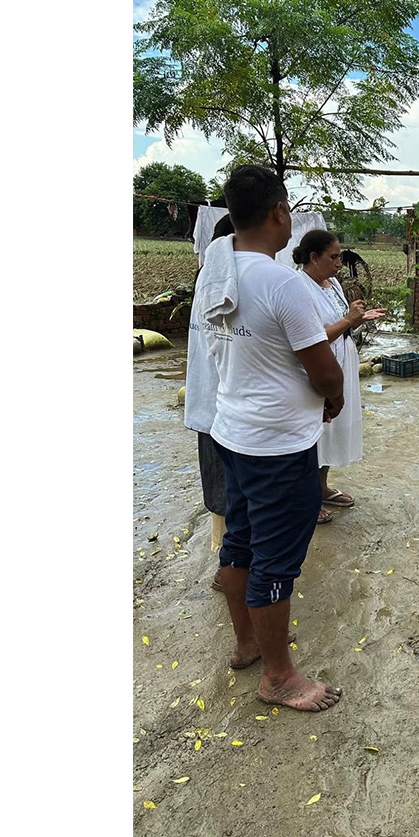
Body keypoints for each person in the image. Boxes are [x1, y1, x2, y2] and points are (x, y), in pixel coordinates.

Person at [200, 164, 346, 712]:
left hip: (232, 432)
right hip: (279, 446)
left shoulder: (218, 273)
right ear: (280, 212)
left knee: (239, 539)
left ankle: (245, 645)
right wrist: (331, 398)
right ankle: (279, 677)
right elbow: (324, 369)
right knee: (276, 558)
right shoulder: (282, 281)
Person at [293, 229, 385, 525]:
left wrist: (355, 320)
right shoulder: (299, 288)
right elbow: (312, 338)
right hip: (319, 367)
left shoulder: (331, 284)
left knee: (333, 431)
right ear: (314, 257)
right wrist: (347, 320)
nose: (339, 264)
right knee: (316, 432)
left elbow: (341, 326)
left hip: (342, 361)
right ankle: (306, 500)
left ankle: (321, 488)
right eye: (333, 257)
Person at [184, 214, 236, 592]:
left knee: (222, 490)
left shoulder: (210, 280)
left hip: (210, 403)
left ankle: (226, 560)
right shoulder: (224, 285)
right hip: (223, 406)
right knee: (228, 492)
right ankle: (227, 567)